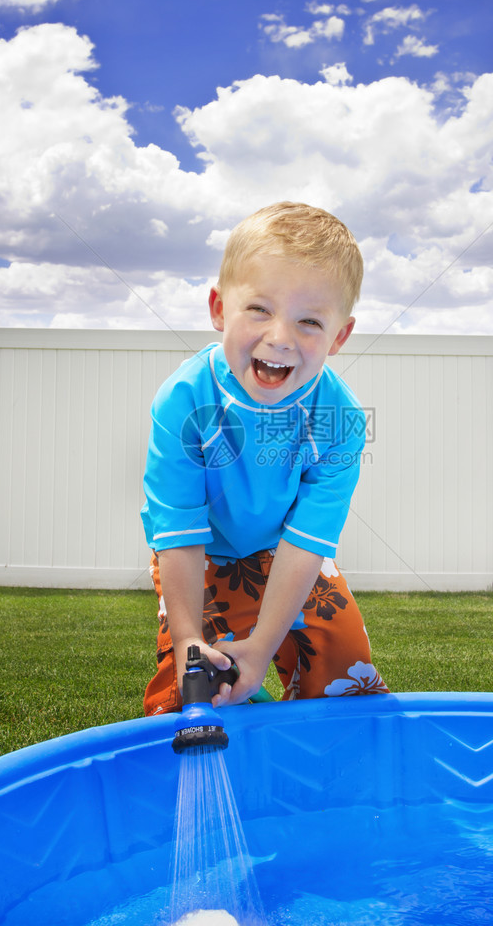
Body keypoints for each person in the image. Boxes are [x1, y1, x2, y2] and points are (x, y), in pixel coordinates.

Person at [141, 201, 389, 715]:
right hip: (201, 556)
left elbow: (307, 541)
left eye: (309, 321)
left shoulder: (338, 420)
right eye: (259, 308)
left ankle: (329, 774)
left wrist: (262, 646)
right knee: (190, 686)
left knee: (345, 670)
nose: (280, 337)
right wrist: (189, 639)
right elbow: (179, 530)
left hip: (287, 553)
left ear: (339, 337)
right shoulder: (185, 400)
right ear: (218, 309)